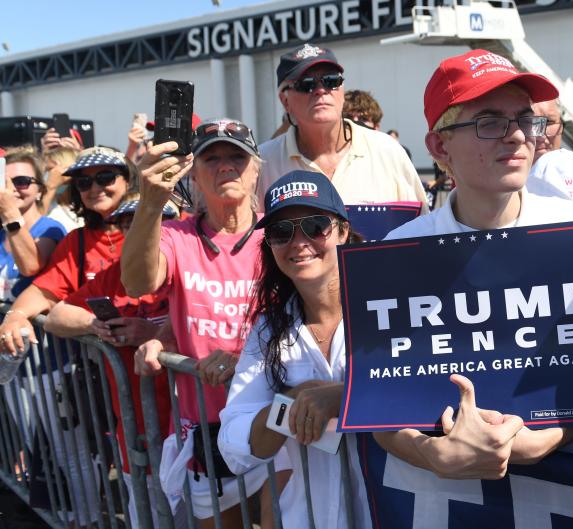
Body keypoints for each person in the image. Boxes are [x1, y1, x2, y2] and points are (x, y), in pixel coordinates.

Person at [377, 48, 573, 476]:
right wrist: (429, 454)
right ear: (440, 145)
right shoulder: (398, 253)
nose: (516, 136)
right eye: (489, 122)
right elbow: (379, 401)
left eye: (526, 120)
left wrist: (551, 436)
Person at [123, 119, 273, 529]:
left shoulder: (281, 236)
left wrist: (239, 358)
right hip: (206, 429)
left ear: (256, 169)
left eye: (237, 157)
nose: (226, 166)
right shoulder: (175, 234)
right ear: (194, 173)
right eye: (212, 158)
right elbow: (138, 282)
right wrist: (151, 202)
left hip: (274, 420)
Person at [219, 171, 369, 529]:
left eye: (315, 225)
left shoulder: (389, 307)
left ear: (343, 231)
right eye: (281, 232)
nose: (299, 242)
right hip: (307, 518)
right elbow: (234, 444)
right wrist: (291, 404)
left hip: (388, 514)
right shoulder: (269, 330)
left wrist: (343, 397)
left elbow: (423, 393)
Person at [0, 145, 132, 527]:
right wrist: (15, 316)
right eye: (85, 181)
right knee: (128, 466)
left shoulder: (158, 223)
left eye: (107, 178)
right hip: (102, 379)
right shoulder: (76, 241)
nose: (96, 188)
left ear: (127, 181)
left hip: (159, 377)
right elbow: (43, 293)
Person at [44, 193, 180, 529]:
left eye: (151, 221)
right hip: (139, 435)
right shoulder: (115, 275)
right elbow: (55, 316)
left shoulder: (188, 264)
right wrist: (95, 324)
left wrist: (152, 331)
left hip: (192, 433)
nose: (138, 230)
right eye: (127, 223)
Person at [256, 44, 428, 212]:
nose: (321, 90)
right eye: (306, 84)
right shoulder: (262, 163)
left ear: (342, 91)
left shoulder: (387, 151)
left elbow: (421, 229)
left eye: (331, 81)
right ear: (285, 101)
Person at [0, 146, 67, 307]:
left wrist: (10, 212)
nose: (11, 189)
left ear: (40, 190)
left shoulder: (50, 228)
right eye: (4, 182)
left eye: (21, 182)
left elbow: (30, 266)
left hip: (31, 330)